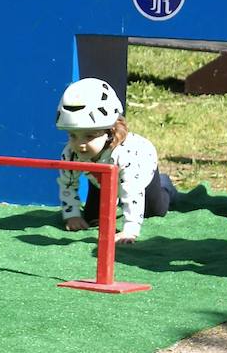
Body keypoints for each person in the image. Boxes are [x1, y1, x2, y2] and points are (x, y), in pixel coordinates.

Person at [55, 78, 177, 244]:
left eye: (89, 136)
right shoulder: (71, 152)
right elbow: (67, 183)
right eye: (73, 135)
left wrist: (130, 230)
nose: (80, 144)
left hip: (140, 174)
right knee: (92, 217)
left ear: (111, 131)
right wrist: (72, 215)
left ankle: (165, 185)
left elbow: (132, 191)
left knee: (155, 210)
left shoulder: (126, 155)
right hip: (101, 181)